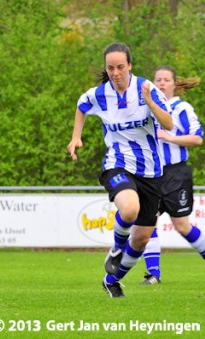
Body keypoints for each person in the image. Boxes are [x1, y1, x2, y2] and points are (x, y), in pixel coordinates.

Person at [67, 42, 173, 298]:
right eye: (110, 68)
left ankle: (111, 279)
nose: (116, 73)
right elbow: (81, 106)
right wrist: (75, 137)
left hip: (151, 171)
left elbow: (168, 124)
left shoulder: (146, 88)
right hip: (117, 163)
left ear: (130, 66)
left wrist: (150, 101)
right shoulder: (100, 94)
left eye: (120, 67)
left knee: (141, 239)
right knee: (129, 208)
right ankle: (116, 249)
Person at [140, 66, 204, 285]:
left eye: (166, 80)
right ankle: (153, 275)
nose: (161, 83)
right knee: (147, 222)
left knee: (182, 226)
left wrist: (169, 137)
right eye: (157, 79)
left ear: (174, 84)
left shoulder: (181, 108)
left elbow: (197, 139)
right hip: (152, 174)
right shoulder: (147, 108)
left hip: (176, 174)